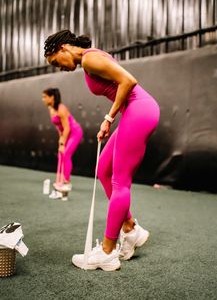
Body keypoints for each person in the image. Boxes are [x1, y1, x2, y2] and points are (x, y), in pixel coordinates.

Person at [44, 30, 160, 270]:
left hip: (140, 110)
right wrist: (112, 119)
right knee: (104, 170)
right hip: (135, 111)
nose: (59, 68)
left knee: (120, 181)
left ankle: (107, 251)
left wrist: (108, 118)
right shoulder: (89, 60)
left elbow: (129, 81)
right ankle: (130, 230)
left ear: (64, 48)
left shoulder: (88, 58)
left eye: (56, 62)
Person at [42, 88, 83, 200]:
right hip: (65, 133)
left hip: (74, 132)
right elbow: (59, 127)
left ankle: (65, 184)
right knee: (61, 155)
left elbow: (67, 128)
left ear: (52, 97)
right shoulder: (51, 109)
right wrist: (61, 140)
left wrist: (62, 143)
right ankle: (59, 186)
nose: (43, 99)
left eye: (45, 97)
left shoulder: (61, 109)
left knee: (66, 154)